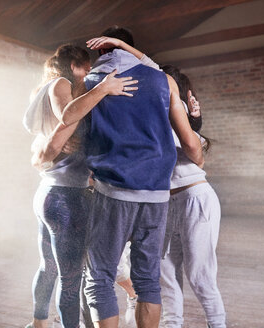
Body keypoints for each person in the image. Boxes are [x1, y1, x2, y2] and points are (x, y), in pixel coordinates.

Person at [63, 26, 204, 328]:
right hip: (156, 192)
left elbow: (69, 125)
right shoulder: (162, 80)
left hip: (114, 190)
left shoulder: (90, 82)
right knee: (148, 278)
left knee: (100, 275)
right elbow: (190, 141)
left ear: (101, 51)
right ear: (132, 48)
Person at [23, 44, 138, 328]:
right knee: (71, 278)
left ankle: (38, 325)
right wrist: (103, 89)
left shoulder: (42, 89)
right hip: (66, 197)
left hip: (48, 192)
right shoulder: (60, 84)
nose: (88, 72)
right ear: (72, 64)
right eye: (85, 67)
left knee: (48, 267)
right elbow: (67, 116)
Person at [159, 66, 226, 328]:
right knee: (165, 273)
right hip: (165, 201)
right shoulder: (157, 112)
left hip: (194, 196)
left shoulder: (181, 111)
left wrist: (195, 119)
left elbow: (195, 154)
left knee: (200, 275)